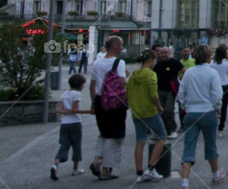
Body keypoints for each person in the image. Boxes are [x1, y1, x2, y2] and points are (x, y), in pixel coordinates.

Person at [178, 44, 226, 186]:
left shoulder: (188, 73)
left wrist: (186, 107)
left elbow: (181, 95)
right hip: (208, 112)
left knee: (189, 146)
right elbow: (218, 96)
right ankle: (215, 175)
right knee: (211, 145)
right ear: (207, 57)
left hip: (191, 112)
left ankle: (185, 182)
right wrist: (217, 108)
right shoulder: (212, 73)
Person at [88, 36, 127, 180]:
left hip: (99, 100)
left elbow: (92, 85)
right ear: (115, 45)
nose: (122, 47)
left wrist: (93, 103)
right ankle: (106, 170)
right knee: (115, 135)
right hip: (114, 102)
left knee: (104, 132)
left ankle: (97, 159)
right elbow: (122, 83)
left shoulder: (97, 63)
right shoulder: (119, 62)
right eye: (121, 44)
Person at [127, 49, 167, 182]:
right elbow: (153, 94)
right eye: (155, 60)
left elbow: (128, 92)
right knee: (162, 136)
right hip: (149, 110)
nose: (156, 62)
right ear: (150, 60)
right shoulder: (150, 74)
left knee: (140, 140)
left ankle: (139, 173)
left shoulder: (133, 75)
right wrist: (159, 106)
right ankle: (151, 167)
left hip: (136, 112)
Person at [50, 74, 90, 181]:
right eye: (83, 85)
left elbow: (60, 110)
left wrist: (67, 112)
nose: (83, 86)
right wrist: (89, 111)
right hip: (75, 123)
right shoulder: (76, 94)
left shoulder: (64, 94)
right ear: (79, 85)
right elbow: (75, 109)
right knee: (76, 145)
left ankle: (55, 165)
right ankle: (75, 168)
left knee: (64, 144)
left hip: (64, 124)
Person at [154, 47, 184, 139]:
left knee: (169, 110)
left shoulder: (175, 62)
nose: (163, 54)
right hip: (160, 90)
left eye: (165, 53)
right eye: (161, 53)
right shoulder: (158, 64)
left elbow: (185, 72)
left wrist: (182, 84)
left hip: (171, 90)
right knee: (161, 111)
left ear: (169, 53)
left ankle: (172, 129)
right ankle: (164, 130)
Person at [209, 44, 228, 136]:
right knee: (224, 107)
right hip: (225, 85)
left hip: (214, 86)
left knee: (213, 106)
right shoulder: (227, 62)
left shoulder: (211, 63)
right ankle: (221, 127)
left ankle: (212, 125)